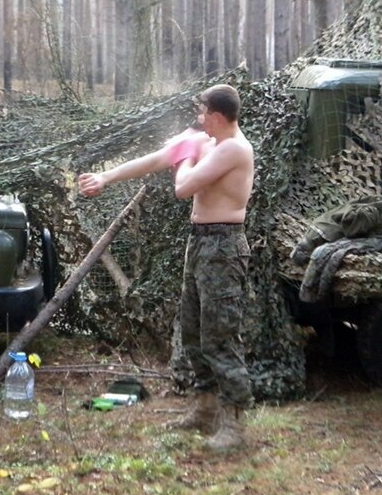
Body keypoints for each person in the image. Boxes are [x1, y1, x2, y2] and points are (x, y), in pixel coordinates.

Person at [78, 84, 254, 453]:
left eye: (203, 112)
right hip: (200, 241)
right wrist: (106, 178)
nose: (198, 118)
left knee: (220, 334)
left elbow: (183, 186)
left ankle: (234, 423)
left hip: (224, 245)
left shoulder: (234, 148)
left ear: (217, 116)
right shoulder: (206, 141)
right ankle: (205, 409)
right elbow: (156, 159)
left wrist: (184, 157)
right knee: (192, 330)